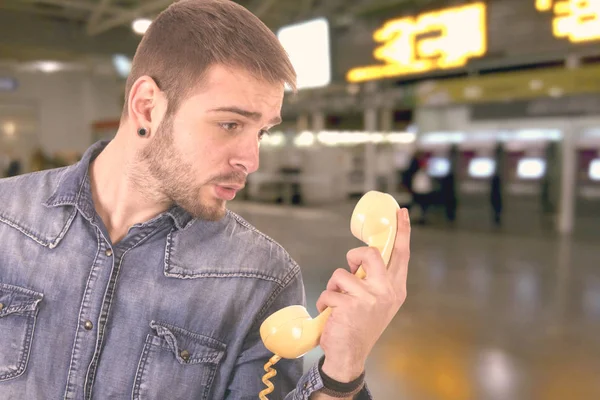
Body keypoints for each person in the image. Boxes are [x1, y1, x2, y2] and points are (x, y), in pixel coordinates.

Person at [0, 1, 411, 399]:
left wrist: (342, 371)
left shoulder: (261, 278)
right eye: (230, 124)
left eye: (261, 132)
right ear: (147, 108)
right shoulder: (6, 218)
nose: (251, 160)